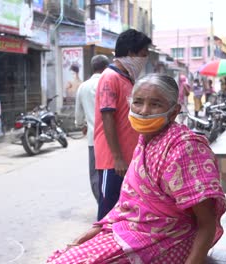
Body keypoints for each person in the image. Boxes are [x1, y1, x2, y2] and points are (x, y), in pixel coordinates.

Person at [47, 74, 226, 264]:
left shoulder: (185, 148)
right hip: (130, 232)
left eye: (155, 104)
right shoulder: (145, 141)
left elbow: (206, 223)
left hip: (172, 240)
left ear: (174, 112)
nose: (143, 111)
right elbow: (128, 204)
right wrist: (96, 229)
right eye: (138, 102)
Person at [93, 29, 152, 221]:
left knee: (124, 212)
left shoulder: (127, 79)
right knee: (107, 212)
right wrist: (117, 157)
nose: (144, 59)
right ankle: (96, 250)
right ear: (131, 53)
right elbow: (107, 116)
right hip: (113, 161)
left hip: (128, 158)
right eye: (143, 54)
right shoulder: (110, 77)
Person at [75, 55, 110, 202]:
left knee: (95, 174)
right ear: (106, 67)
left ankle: (101, 203)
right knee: (111, 172)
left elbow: (78, 114)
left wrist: (81, 125)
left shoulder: (83, 86)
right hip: (111, 137)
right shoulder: (109, 83)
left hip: (93, 138)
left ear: (92, 67)